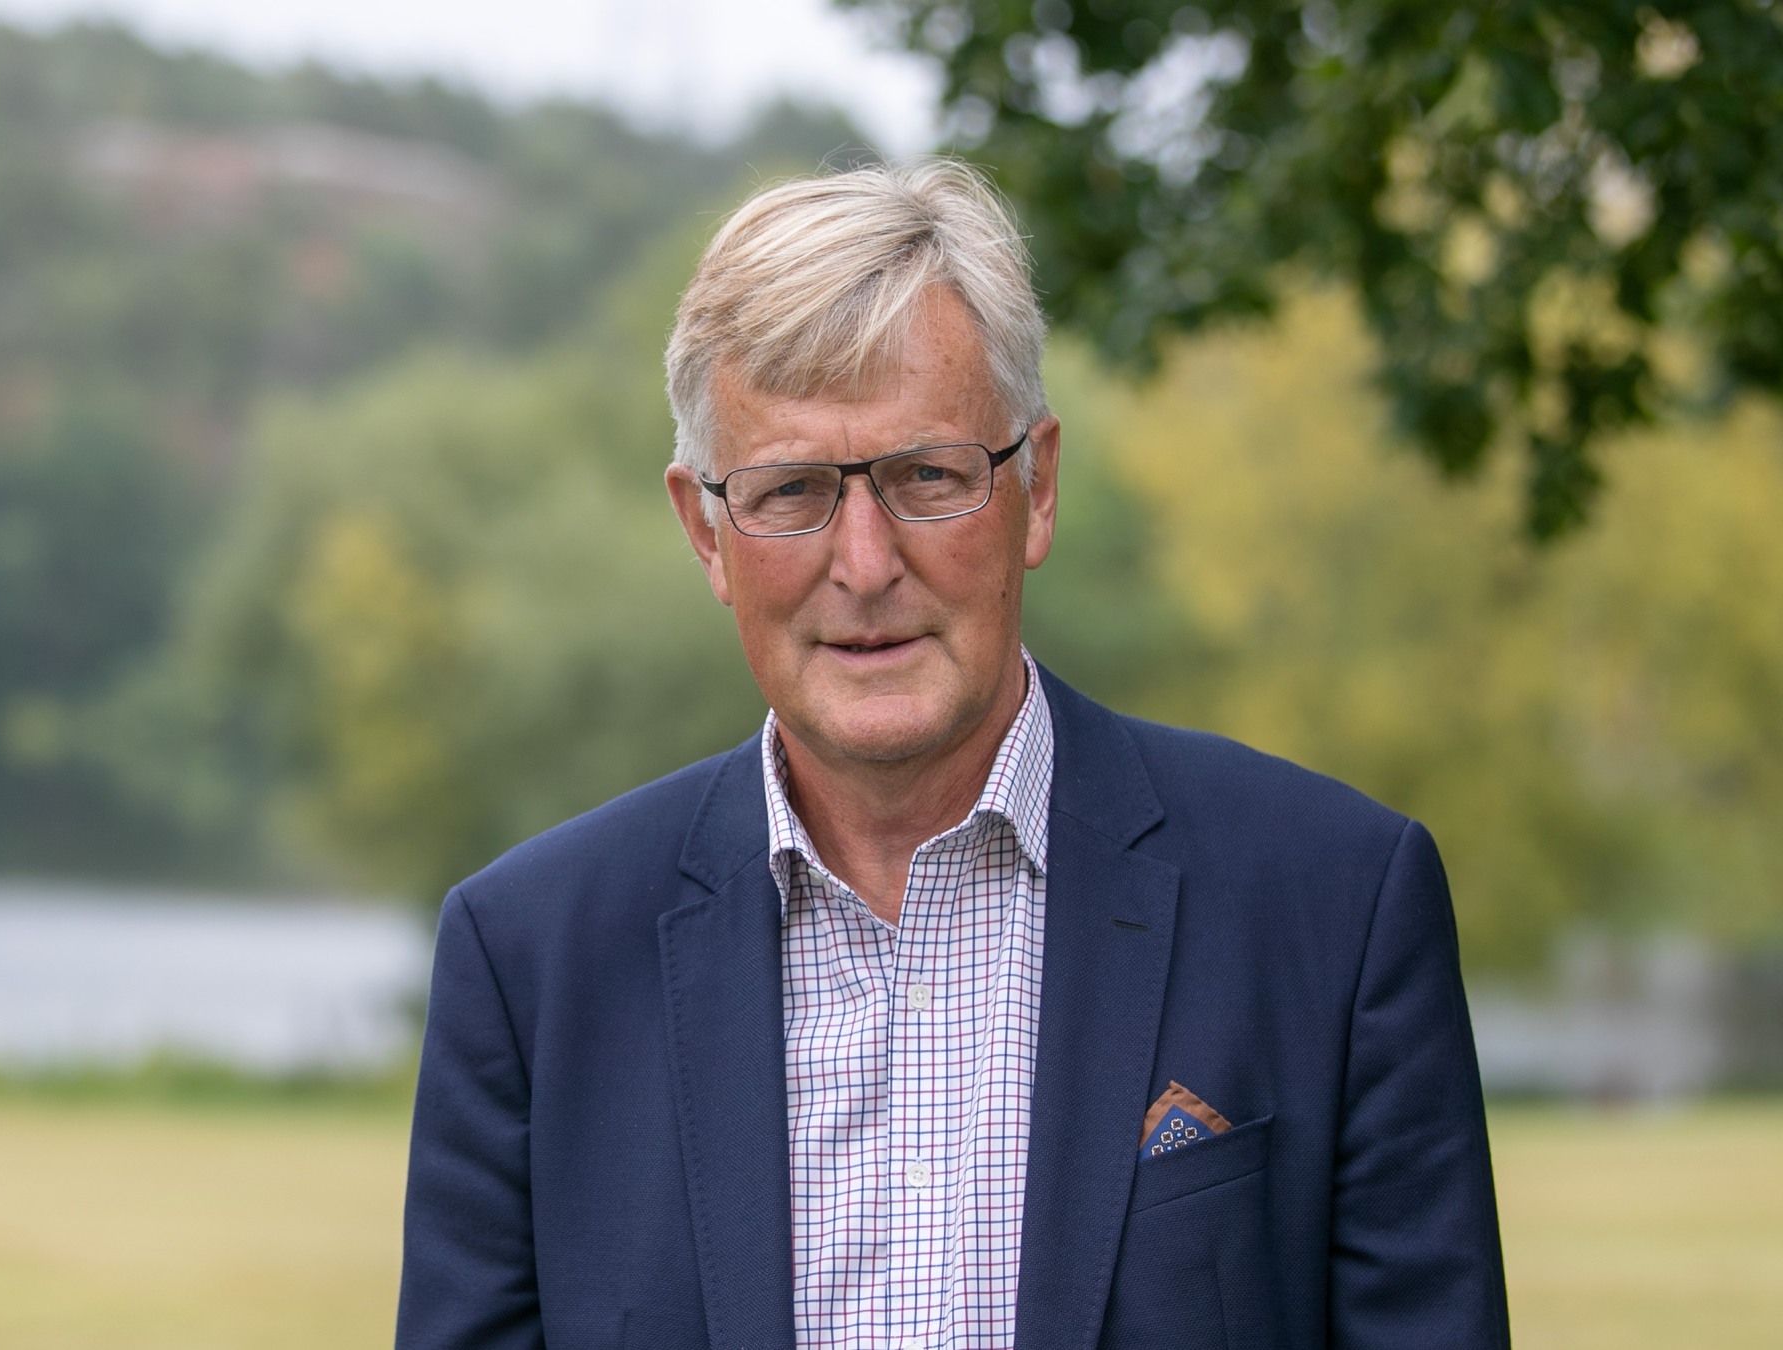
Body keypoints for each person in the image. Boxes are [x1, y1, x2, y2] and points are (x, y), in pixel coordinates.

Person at [396, 158, 1507, 1350]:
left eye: (928, 477)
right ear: (706, 532)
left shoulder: (1334, 906)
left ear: (1036, 489)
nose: (865, 563)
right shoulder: (531, 965)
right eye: (791, 492)